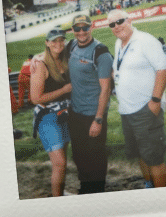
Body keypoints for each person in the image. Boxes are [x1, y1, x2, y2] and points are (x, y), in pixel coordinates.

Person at [109, 9, 166, 188]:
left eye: (120, 21)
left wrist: (155, 102)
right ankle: (149, 186)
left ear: (129, 20)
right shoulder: (118, 44)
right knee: (141, 155)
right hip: (127, 111)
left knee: (154, 158)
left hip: (145, 109)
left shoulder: (145, 40)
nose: (117, 26)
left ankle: (162, 198)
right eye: (112, 24)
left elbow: (163, 69)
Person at [67, 15, 113, 194]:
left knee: (95, 155)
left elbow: (106, 89)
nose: (81, 32)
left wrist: (99, 119)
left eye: (85, 28)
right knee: (79, 154)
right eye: (77, 29)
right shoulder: (71, 46)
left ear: (91, 28)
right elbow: (51, 53)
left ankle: (97, 192)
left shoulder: (100, 52)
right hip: (76, 113)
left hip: (94, 114)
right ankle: (85, 188)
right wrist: (37, 58)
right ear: (72, 30)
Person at [30, 28, 72, 197]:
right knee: (59, 163)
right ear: (47, 43)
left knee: (63, 160)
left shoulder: (65, 58)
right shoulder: (41, 64)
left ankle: (60, 192)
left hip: (66, 114)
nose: (58, 44)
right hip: (48, 117)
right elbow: (36, 98)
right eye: (53, 41)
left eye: (61, 40)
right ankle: (57, 201)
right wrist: (64, 90)